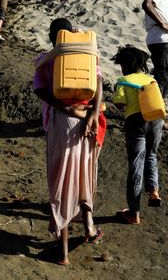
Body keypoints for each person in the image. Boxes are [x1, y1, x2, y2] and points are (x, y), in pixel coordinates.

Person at [33, 18, 106, 266]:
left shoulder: (47, 58)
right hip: (89, 124)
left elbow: (39, 90)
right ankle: (89, 228)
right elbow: (99, 82)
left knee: (62, 184)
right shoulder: (87, 55)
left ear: (53, 36)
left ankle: (62, 253)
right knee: (85, 175)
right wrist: (93, 115)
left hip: (62, 123)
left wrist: (65, 107)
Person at [112, 45, 164, 225]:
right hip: (156, 120)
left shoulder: (123, 79)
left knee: (136, 163)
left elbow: (119, 103)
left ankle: (133, 213)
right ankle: (154, 191)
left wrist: (118, 92)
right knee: (151, 155)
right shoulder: (151, 80)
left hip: (135, 122)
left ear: (125, 65)